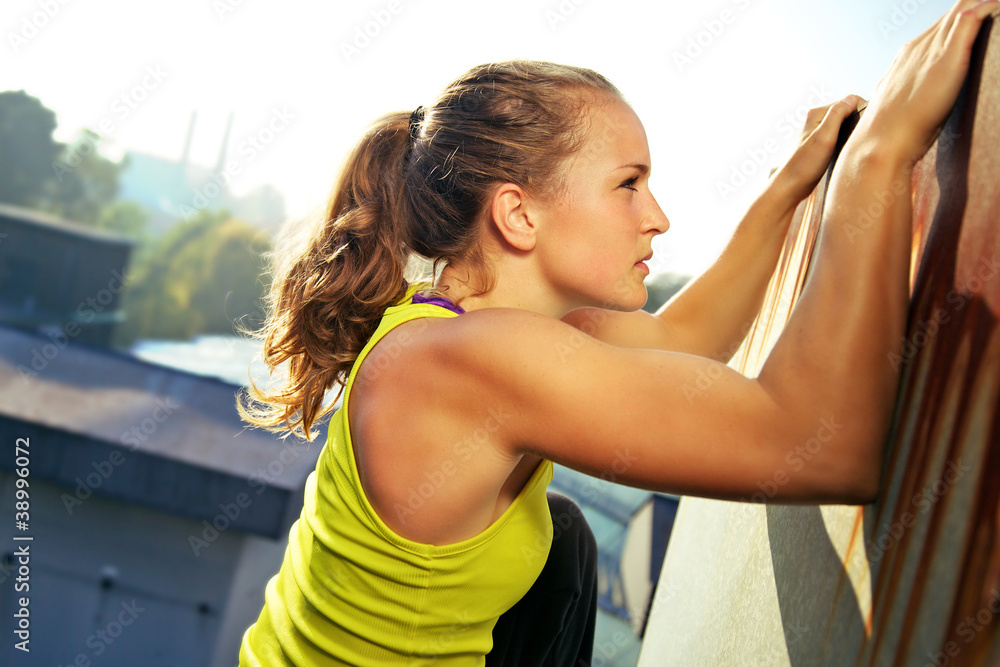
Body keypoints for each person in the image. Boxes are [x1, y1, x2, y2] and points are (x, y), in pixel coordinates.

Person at [236, 2, 998, 664]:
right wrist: (877, 158)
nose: (657, 215)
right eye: (627, 183)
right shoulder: (458, 361)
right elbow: (827, 446)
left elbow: (688, 337)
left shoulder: (486, 328)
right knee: (567, 541)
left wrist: (795, 184)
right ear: (519, 213)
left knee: (565, 538)